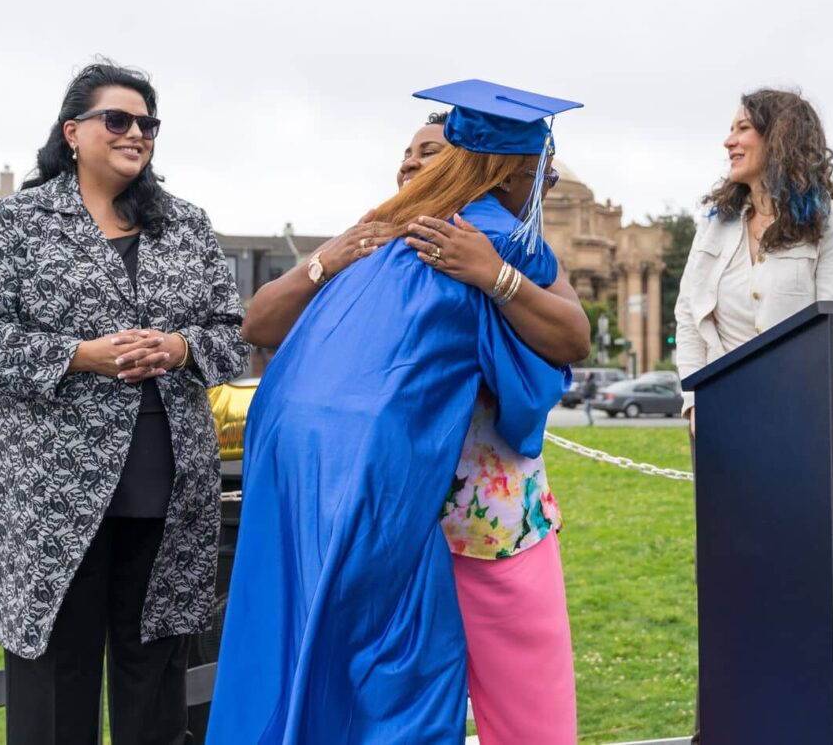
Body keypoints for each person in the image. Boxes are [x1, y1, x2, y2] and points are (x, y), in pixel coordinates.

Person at [207, 80, 584, 743]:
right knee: (415, 711)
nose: (413, 165)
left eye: (432, 152)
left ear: (470, 161)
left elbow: (568, 333)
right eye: (407, 153)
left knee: (498, 709)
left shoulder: (492, 238)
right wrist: (329, 258)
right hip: (405, 523)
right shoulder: (372, 245)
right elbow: (262, 324)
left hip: (452, 516)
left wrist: (493, 272)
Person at [0, 62, 248, 745]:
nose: (136, 131)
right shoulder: (21, 222)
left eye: (148, 122)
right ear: (73, 132)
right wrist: (81, 354)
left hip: (170, 497)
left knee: (155, 686)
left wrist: (178, 346)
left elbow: (233, 340)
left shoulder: (187, 226)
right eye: (119, 119)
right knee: (57, 683)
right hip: (52, 502)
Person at [675, 87, 833, 741]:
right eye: (728, 130)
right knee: (728, 591)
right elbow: (687, 317)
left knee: (799, 588)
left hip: (801, 436)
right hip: (725, 436)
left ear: (778, 136)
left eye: (741, 129)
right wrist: (694, 399)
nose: (729, 141)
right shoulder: (717, 223)